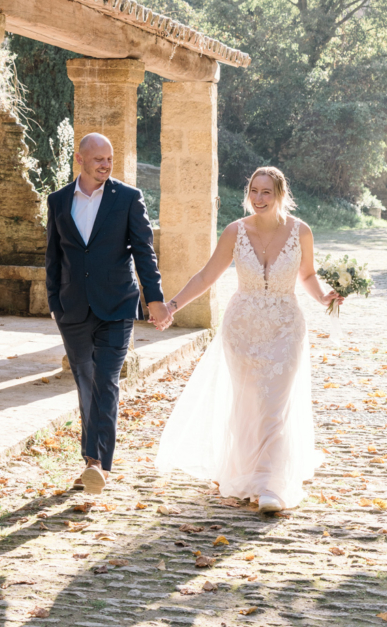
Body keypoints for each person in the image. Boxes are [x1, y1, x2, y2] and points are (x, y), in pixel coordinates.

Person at [152, 165, 341, 511]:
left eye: (266, 192)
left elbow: (309, 275)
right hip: (242, 329)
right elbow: (207, 274)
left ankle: (270, 484)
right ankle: (246, 473)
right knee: (249, 402)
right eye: (254, 191)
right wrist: (172, 305)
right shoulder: (235, 232)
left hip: (285, 327)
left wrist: (326, 295)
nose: (259, 199)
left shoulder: (302, 232)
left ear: (281, 195)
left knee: (274, 404)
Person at [45, 132, 170, 494]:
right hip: (72, 308)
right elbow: (54, 256)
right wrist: (54, 302)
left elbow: (144, 252)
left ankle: (96, 462)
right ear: (80, 159)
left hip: (117, 304)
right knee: (85, 379)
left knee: (106, 378)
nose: (105, 164)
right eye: (98, 158)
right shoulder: (57, 201)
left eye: (109, 159)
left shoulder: (128, 199)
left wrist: (155, 298)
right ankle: (92, 462)